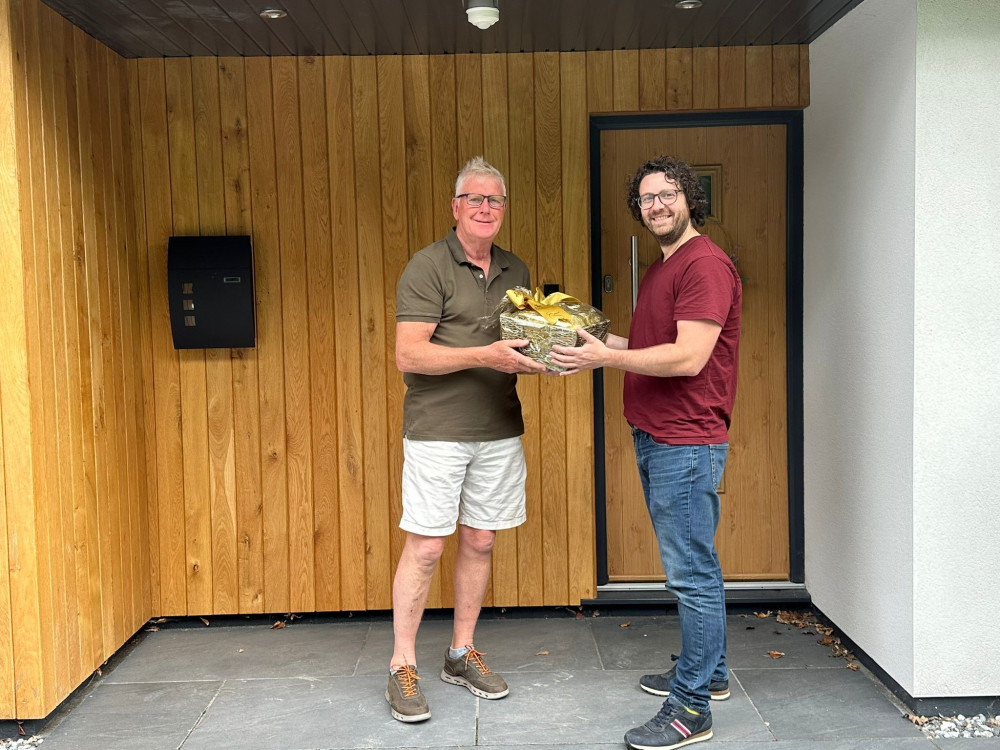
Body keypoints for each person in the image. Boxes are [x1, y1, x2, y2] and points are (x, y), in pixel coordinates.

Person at [551, 155, 742, 749]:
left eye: (667, 194)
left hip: (685, 440)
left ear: (689, 197)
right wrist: (584, 339)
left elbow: (688, 357)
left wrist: (606, 360)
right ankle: (706, 675)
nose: (656, 205)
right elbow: (648, 344)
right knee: (692, 566)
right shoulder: (667, 266)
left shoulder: (705, 265)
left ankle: (690, 711)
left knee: (691, 575)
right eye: (646, 198)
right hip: (659, 434)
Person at [386, 156, 548, 723]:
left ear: (504, 210)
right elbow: (409, 353)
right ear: (456, 208)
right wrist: (485, 355)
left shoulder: (515, 269)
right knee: (427, 544)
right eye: (475, 199)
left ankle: (460, 651)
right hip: (437, 431)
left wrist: (553, 357)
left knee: (480, 540)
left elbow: (521, 345)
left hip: (499, 428)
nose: (485, 209)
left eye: (495, 201)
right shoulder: (427, 266)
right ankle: (402, 663)